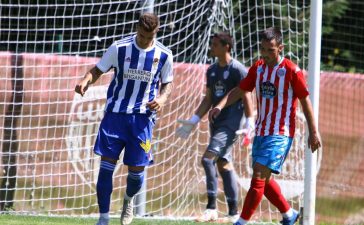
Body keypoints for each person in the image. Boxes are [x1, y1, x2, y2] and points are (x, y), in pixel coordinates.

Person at [208, 27, 321, 225]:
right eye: (263, 49)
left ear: (280, 48)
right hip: (261, 131)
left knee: (259, 176)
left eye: (271, 50)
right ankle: (289, 215)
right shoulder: (258, 68)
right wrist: (220, 105)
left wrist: (314, 132)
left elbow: (305, 101)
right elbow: (240, 90)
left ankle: (241, 222)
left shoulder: (291, 71)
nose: (266, 54)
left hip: (281, 133)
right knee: (264, 180)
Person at [75, 13, 173, 225]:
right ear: (136, 28)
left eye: (148, 37)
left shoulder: (164, 54)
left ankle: (128, 200)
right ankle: (103, 218)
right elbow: (97, 70)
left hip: (142, 120)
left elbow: (167, 83)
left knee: (136, 173)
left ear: (156, 33)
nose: (144, 40)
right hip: (115, 116)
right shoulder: (119, 48)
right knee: (106, 167)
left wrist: (162, 99)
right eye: (141, 35)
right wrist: (85, 81)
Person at [175, 32, 254, 223]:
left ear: (226, 47)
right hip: (216, 124)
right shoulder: (211, 70)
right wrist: (193, 120)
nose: (212, 48)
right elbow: (208, 99)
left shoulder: (238, 70)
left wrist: (250, 121)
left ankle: (211, 208)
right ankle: (234, 213)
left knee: (207, 159)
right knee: (223, 164)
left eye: (215, 44)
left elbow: (247, 96)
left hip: (231, 125)